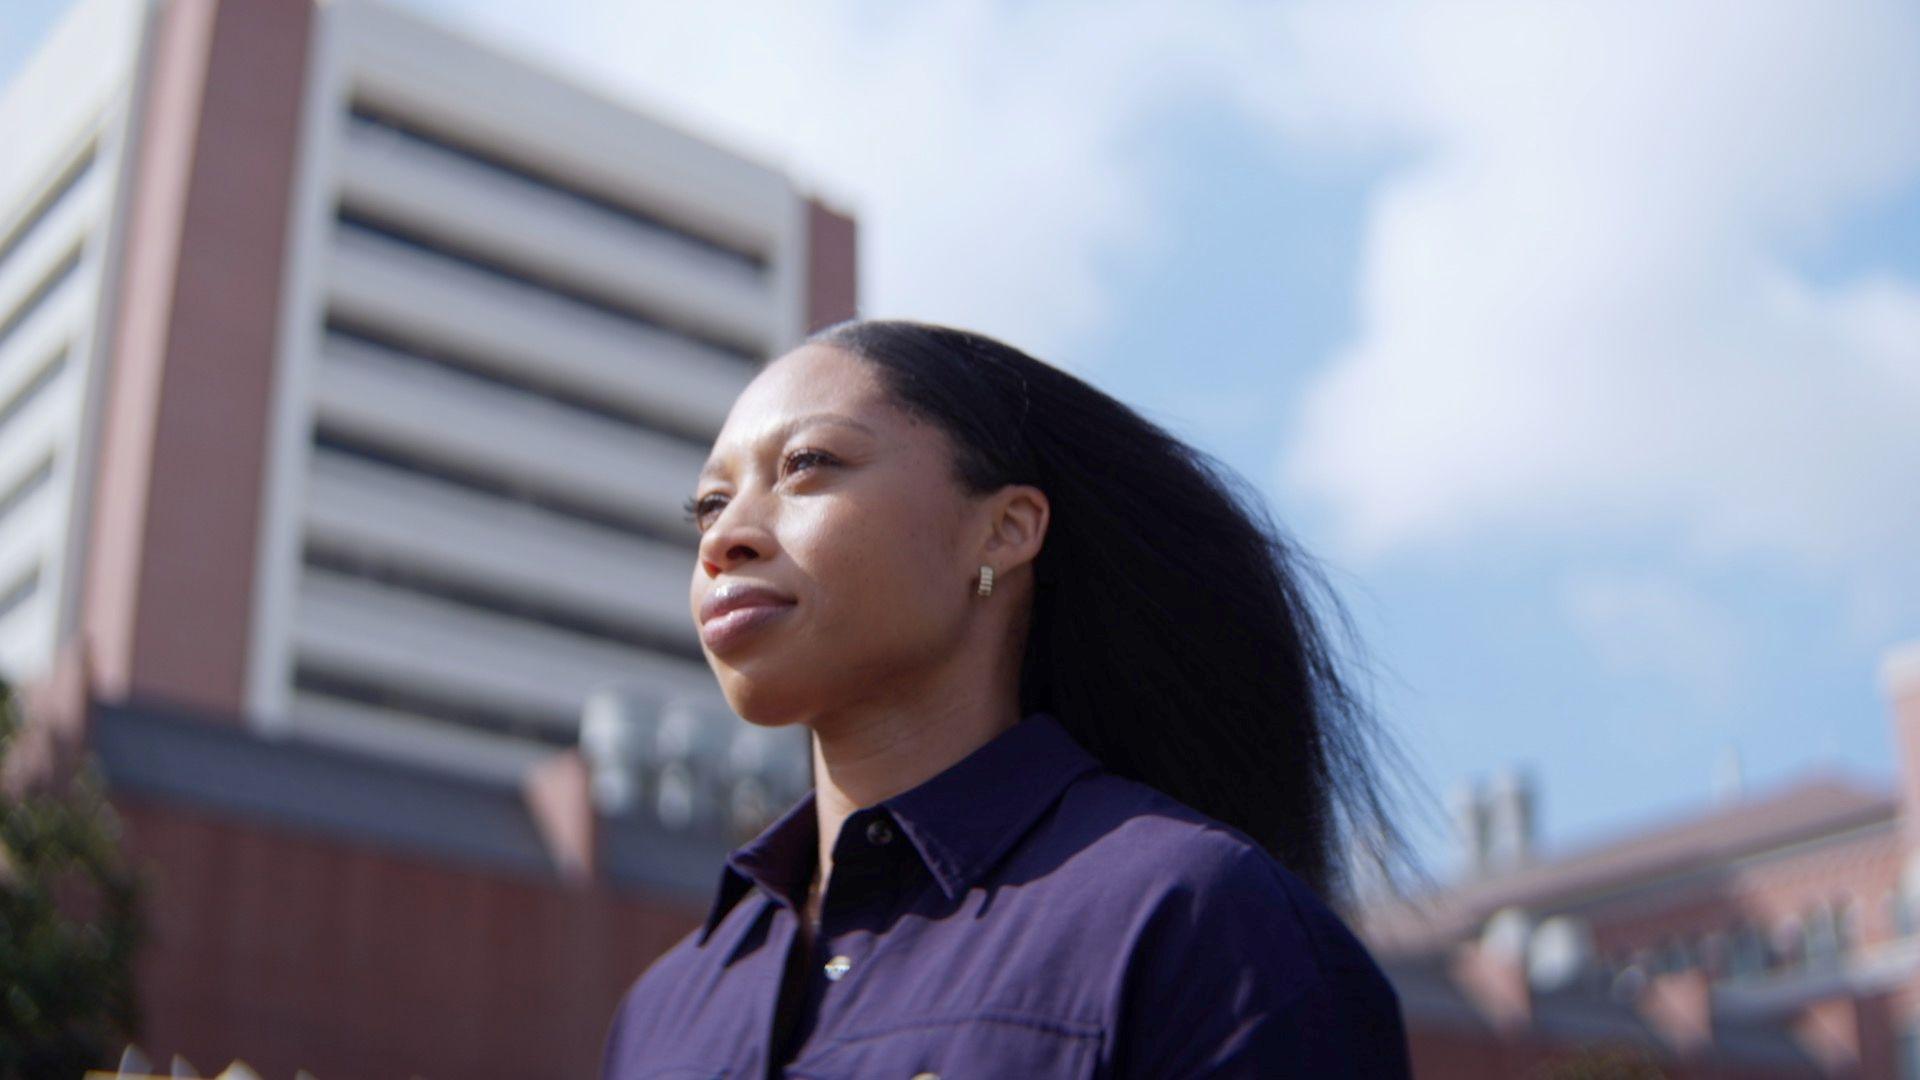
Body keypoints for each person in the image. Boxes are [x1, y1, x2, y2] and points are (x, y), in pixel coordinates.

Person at [599, 318, 1417, 1078]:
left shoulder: (1196, 919)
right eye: (709, 504)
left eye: (807, 465)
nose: (722, 539)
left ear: (1004, 531)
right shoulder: (663, 1010)